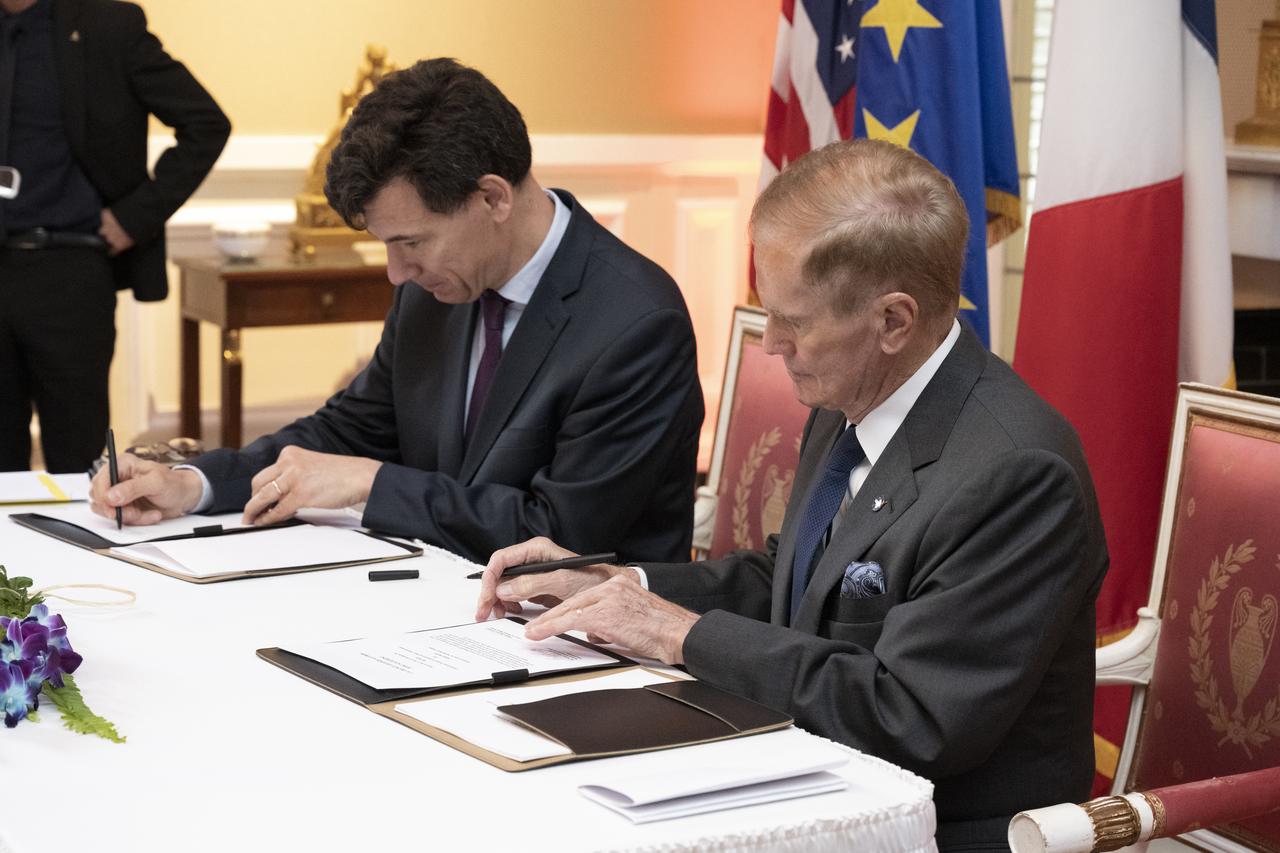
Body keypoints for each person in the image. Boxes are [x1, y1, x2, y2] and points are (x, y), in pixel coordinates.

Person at [477, 139, 1108, 851]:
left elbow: (911, 716)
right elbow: (792, 583)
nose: (770, 343)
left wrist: (678, 633)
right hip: (808, 772)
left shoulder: (1017, 473)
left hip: (937, 827)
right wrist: (624, 583)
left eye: (793, 321)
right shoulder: (855, 395)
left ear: (893, 321)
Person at [91, 58, 704, 564]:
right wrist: (194, 484)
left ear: (491, 197)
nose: (395, 273)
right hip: (439, 602)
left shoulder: (635, 324)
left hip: (585, 645)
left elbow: (562, 535)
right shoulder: (436, 290)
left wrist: (369, 482)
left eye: (410, 242)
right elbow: (345, 432)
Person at [0, 0, 229, 473]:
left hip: (69, 272)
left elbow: (206, 124)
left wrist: (133, 217)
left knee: (76, 456)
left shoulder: (107, 26)